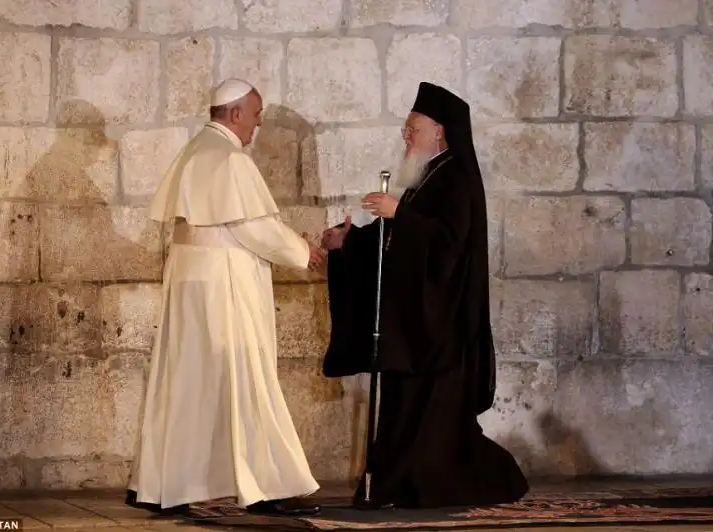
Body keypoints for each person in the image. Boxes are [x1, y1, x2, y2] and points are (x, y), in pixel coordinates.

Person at [320, 81, 529, 509]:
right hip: (413, 323)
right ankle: (396, 485)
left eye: (412, 127)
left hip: (442, 325)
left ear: (439, 130)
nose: (405, 135)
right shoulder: (427, 176)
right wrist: (350, 242)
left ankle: (432, 485)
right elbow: (398, 239)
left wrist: (401, 214)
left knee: (433, 419)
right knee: (404, 410)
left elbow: (450, 245)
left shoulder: (458, 177)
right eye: (405, 128)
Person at [126, 78, 325, 517]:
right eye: (255, 115)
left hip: (190, 280)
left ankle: (162, 483)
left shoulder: (196, 149)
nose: (256, 125)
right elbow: (253, 227)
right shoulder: (231, 159)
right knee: (246, 375)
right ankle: (269, 485)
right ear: (234, 113)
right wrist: (302, 250)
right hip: (224, 283)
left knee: (188, 383)